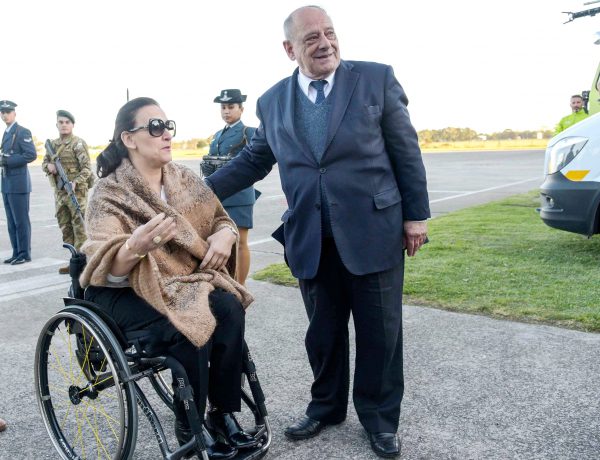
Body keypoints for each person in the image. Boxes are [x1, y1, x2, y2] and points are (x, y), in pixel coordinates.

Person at [205, 6, 430, 459]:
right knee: (322, 333)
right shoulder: (273, 101)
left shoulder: (376, 79)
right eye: (311, 38)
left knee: (380, 334)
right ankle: (326, 407)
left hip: (373, 230)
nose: (325, 43)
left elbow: (406, 150)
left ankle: (380, 418)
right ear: (290, 49)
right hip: (311, 235)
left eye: (329, 33)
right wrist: (197, 192)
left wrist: (416, 216)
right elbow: (254, 160)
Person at [79, 97, 259, 459]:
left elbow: (220, 218)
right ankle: (189, 425)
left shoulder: (183, 179)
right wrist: (134, 247)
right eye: (155, 127)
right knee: (188, 321)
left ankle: (222, 413)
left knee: (228, 307)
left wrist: (225, 235)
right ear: (129, 138)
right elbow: (104, 266)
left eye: (168, 126)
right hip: (124, 290)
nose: (166, 134)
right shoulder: (109, 193)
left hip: (180, 281)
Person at [204, 89, 258, 285]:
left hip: (239, 195)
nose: (226, 111)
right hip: (219, 195)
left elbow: (255, 162)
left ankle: (240, 286)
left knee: (240, 243)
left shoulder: (249, 132)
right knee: (220, 241)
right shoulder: (218, 135)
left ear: (241, 109)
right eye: (223, 107)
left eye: (231, 107)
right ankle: (226, 282)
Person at [42, 110, 94, 274]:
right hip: (60, 194)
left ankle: (84, 263)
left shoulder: (78, 143)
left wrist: (75, 182)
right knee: (65, 226)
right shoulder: (53, 145)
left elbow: (87, 169)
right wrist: (48, 166)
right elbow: (44, 163)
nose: (64, 125)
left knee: (80, 228)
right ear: (56, 124)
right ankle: (73, 261)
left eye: (67, 122)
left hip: (76, 193)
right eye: (61, 122)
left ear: (72, 125)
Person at [0, 100, 37, 265]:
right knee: (11, 221)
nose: (5, 115)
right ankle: (16, 252)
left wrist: (7, 161)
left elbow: (31, 154)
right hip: (7, 183)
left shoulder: (22, 131)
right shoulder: (7, 132)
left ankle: (24, 254)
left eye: (8, 112)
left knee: (21, 220)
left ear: (14, 113)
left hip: (19, 184)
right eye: (2, 112)